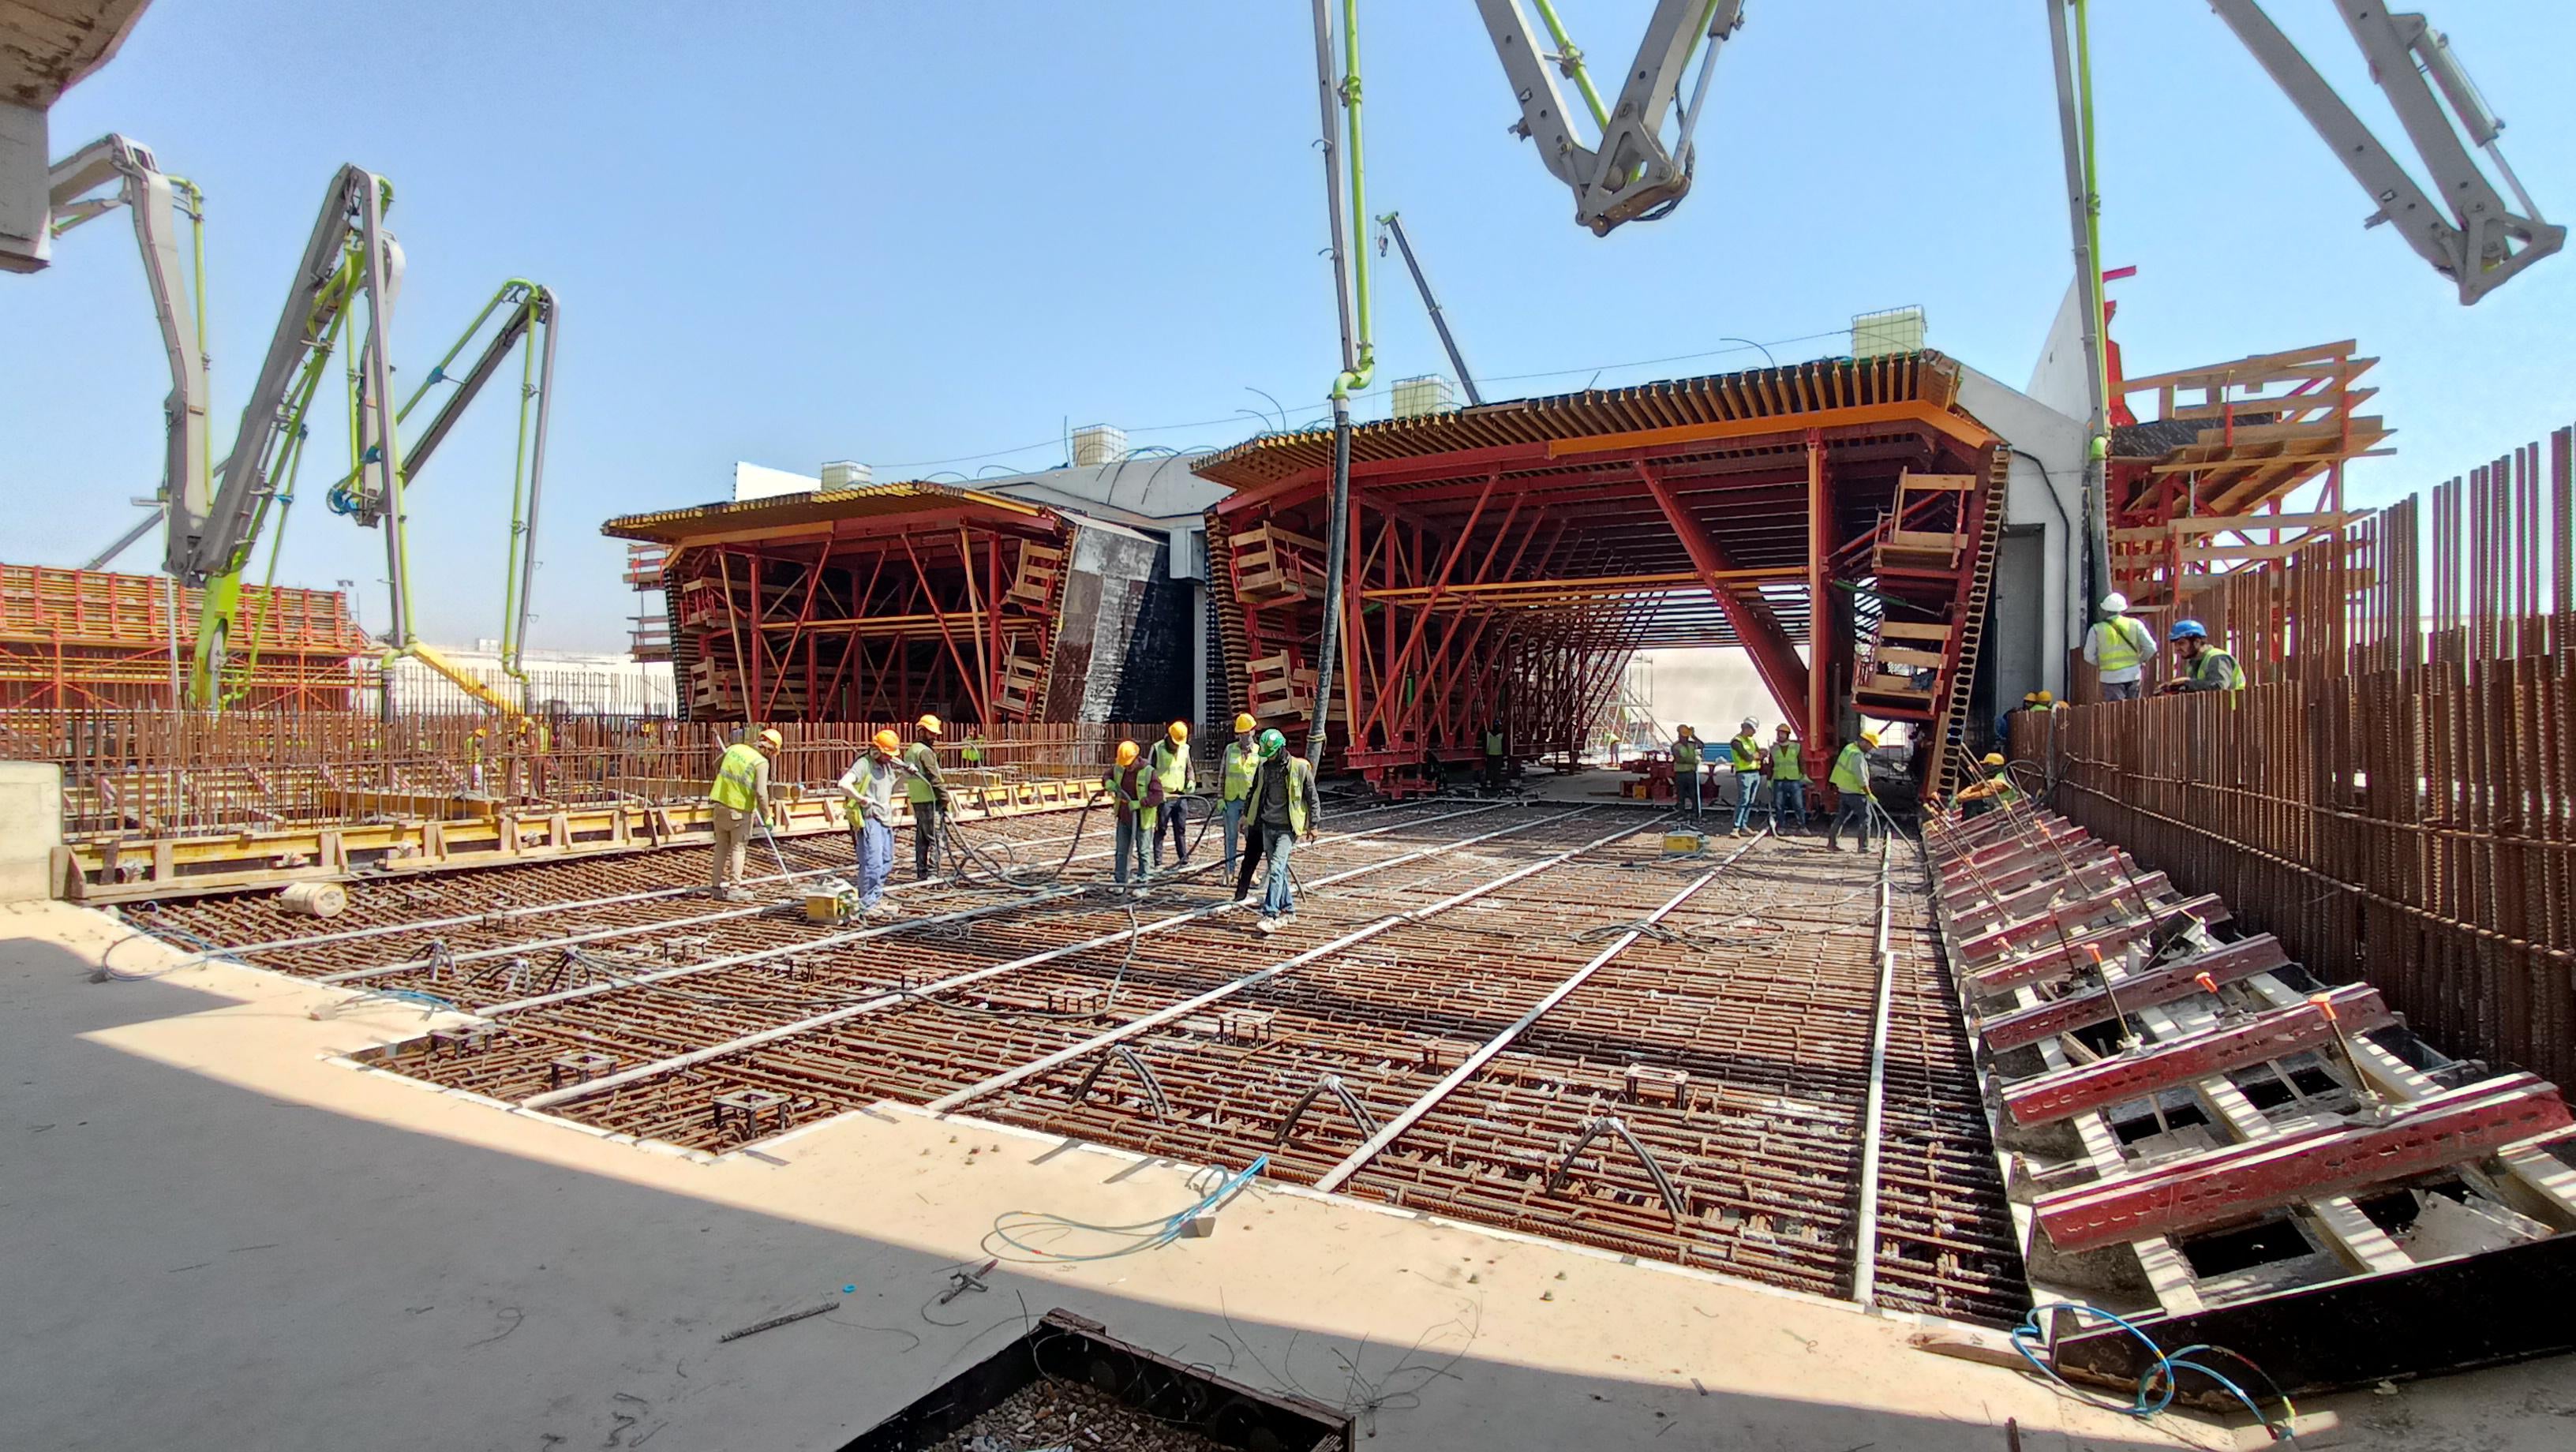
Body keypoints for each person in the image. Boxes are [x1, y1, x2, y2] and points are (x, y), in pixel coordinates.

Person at [1241, 727, 1320, 934]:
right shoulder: (1263, 767)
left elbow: (1312, 798)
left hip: (1287, 829)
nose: (1268, 758)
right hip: (1268, 826)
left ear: (1281, 749)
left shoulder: (1299, 769)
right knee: (1280, 871)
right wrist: (1245, 815)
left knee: (1275, 869)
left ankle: (1270, 914)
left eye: (1271, 754)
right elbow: (1253, 792)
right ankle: (1289, 909)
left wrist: (1314, 825)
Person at [706, 726, 781, 900]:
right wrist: (767, 816)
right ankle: (734, 888)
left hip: (719, 805)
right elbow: (762, 792)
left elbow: (716, 765)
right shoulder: (761, 763)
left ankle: (715, 888)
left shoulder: (735, 748)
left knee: (721, 848)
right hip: (739, 810)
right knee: (738, 849)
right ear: (771, 749)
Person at [836, 729, 903, 915]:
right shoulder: (864, 764)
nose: (890, 757)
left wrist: (906, 775)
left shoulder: (887, 765)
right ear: (877, 750)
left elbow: (890, 790)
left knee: (886, 862)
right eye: (887, 754)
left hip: (885, 819)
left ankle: (875, 898)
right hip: (870, 819)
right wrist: (861, 799)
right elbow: (843, 784)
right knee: (872, 863)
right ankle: (866, 904)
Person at [2084, 593, 2157, 702]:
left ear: (2104, 610)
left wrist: (2102, 663)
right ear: (2123, 610)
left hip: (2110, 677)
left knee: (2114, 712)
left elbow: (2088, 656)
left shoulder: (2096, 629)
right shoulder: (2136, 624)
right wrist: (2140, 660)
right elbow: (2151, 648)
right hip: (2133, 674)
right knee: (2133, 709)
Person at [902, 715, 949, 880]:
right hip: (930, 800)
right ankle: (934, 875)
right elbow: (934, 778)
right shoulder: (925, 752)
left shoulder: (911, 750)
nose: (934, 737)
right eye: (931, 733)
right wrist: (945, 798)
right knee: (938, 839)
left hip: (917, 799)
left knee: (922, 839)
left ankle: (921, 873)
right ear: (921, 732)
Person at [1103, 740, 1155, 887]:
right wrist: (1107, 782)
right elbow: (1107, 775)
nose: (1126, 766)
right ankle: (1120, 883)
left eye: (1128, 763)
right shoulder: (1119, 767)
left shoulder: (1148, 771)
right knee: (1121, 852)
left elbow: (1158, 796)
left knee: (1143, 852)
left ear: (1136, 758)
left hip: (1142, 819)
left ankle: (1143, 883)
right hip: (1124, 816)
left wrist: (1141, 803)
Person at [1147, 720, 1197, 870]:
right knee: (1161, 829)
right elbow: (1149, 772)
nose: (1176, 746)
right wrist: (1155, 792)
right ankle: (1158, 861)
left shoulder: (1185, 748)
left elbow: (1189, 768)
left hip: (1180, 796)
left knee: (1180, 829)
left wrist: (1191, 781)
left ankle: (1183, 859)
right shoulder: (1157, 748)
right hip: (1164, 797)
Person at [1219, 713, 1260, 876]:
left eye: (1247, 732)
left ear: (1253, 731)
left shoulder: (1259, 752)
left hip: (1251, 803)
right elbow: (1222, 775)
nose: (1244, 736)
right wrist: (1220, 798)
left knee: (1252, 840)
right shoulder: (1230, 750)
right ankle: (1229, 872)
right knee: (1231, 837)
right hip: (1231, 800)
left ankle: (1251, 873)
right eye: (1241, 733)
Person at [1825, 730, 1879, 852]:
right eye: (1870, 745)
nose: (1871, 749)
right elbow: (1861, 778)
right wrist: (1868, 793)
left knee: (1841, 817)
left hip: (1844, 790)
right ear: (1864, 742)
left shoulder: (1849, 748)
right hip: (1855, 792)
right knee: (1866, 818)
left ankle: (1831, 844)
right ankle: (1863, 847)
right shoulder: (1857, 755)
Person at [2160, 619, 2245, 693]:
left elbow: (2218, 686)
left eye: (2181, 643)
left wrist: (2187, 684)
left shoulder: (2217, 658)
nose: (2177, 648)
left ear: (2197, 642)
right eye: (2175, 644)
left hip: (2231, 710)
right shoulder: (2195, 663)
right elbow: (2200, 687)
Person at [1956, 751, 2022, 820]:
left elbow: (1981, 794)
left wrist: (1961, 798)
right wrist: (1958, 797)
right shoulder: (1992, 779)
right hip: (1996, 807)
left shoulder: (2000, 782)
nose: (1985, 768)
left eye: (1986, 765)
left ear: (1993, 766)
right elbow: (1973, 788)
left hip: (2006, 810)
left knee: (1972, 803)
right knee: (1970, 802)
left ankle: (1968, 826)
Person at [1727, 717, 1765, 836]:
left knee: (1750, 801)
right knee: (1743, 800)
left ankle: (1744, 825)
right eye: (1753, 729)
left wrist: (1758, 755)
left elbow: (1759, 753)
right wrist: (1758, 755)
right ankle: (1736, 827)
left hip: (1755, 773)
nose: (1754, 732)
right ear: (1747, 728)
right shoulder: (1736, 742)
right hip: (1744, 773)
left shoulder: (1751, 741)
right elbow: (1747, 757)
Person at [1769, 723, 1809, 832]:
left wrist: (1804, 774)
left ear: (1787, 735)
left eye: (1782, 733)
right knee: (1779, 806)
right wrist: (1769, 779)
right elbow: (1771, 765)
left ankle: (1802, 826)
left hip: (1794, 780)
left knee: (1798, 805)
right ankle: (1781, 826)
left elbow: (1801, 762)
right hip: (1779, 780)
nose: (1780, 735)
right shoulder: (1774, 748)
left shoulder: (1796, 747)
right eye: (1779, 733)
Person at [1671, 725, 1704, 817]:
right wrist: (1693, 761)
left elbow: (1701, 745)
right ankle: (1681, 812)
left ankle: (1695, 811)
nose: (1685, 737)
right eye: (1684, 735)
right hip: (1680, 774)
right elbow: (1679, 759)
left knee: (1694, 793)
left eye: (1687, 735)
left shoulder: (1692, 744)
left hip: (1691, 772)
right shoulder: (1676, 746)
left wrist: (1694, 736)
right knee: (1681, 794)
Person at [1481, 719, 1506, 792]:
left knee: (1489, 769)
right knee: (1496, 769)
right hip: (1498, 754)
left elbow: (1485, 744)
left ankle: (1489, 781)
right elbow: (1504, 745)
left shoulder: (1488, 734)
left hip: (1490, 753)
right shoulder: (1501, 735)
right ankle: (1495, 783)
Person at [467, 724, 489, 795]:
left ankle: (476, 789)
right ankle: (484, 790)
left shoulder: (470, 740)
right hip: (474, 762)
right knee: (479, 776)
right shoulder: (474, 740)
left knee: (474, 777)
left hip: (471, 762)